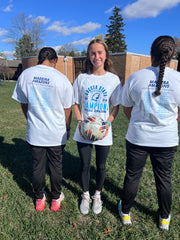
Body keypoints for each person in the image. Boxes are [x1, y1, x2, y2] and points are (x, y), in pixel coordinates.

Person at [118, 35, 180, 230]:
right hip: (167, 139)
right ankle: (164, 218)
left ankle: (126, 212)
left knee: (132, 176)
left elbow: (126, 108)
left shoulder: (136, 77)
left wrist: (138, 122)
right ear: (172, 55)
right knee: (164, 179)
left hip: (138, 137)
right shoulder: (178, 79)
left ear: (150, 53)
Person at [12, 47, 73, 211]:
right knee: (56, 167)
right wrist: (68, 127)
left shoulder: (26, 75)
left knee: (37, 166)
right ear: (55, 61)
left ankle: (39, 198)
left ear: (39, 59)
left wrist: (29, 119)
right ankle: (55, 198)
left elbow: (23, 103)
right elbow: (68, 109)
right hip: (56, 133)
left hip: (36, 132)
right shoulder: (62, 78)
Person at [73, 39, 122, 215]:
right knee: (85, 164)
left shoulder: (113, 79)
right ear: (89, 56)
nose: (96, 56)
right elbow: (76, 103)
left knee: (101, 166)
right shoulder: (82, 78)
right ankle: (85, 194)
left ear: (106, 54)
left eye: (100, 52)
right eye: (93, 53)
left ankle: (97, 195)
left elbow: (116, 106)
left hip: (103, 131)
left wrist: (107, 123)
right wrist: (80, 122)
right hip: (84, 131)